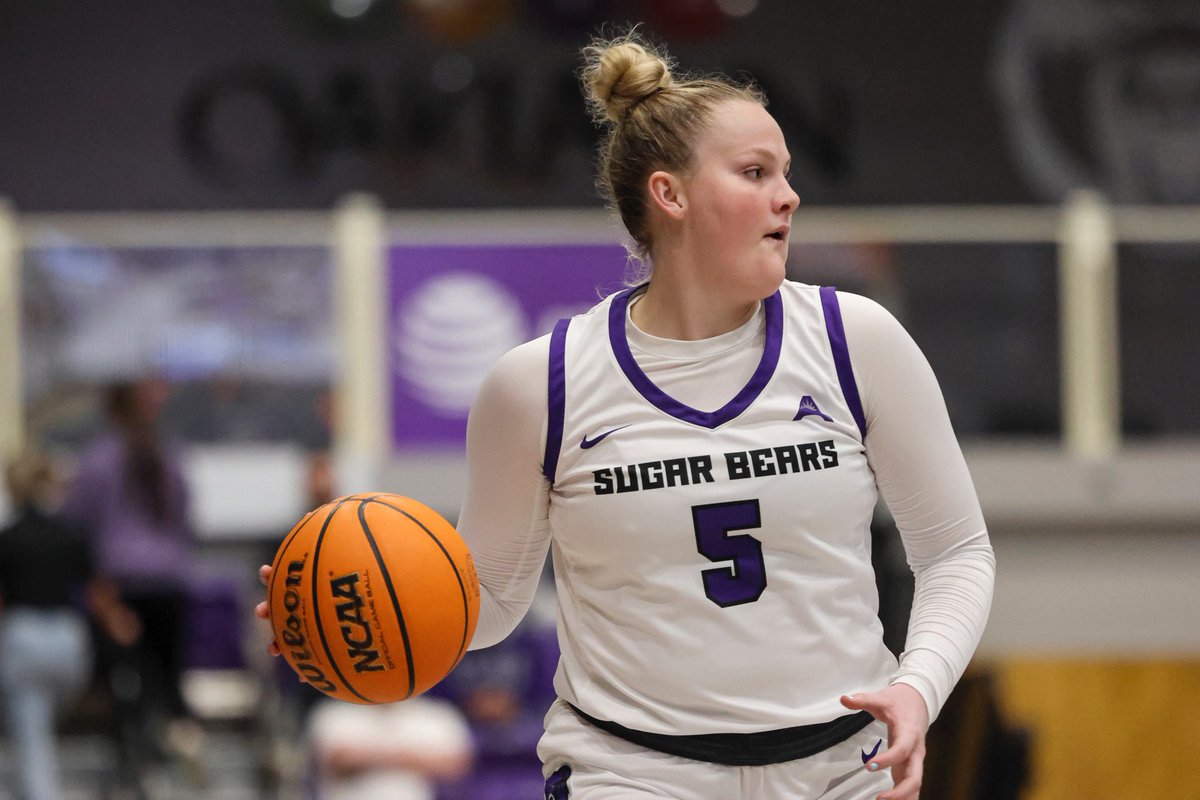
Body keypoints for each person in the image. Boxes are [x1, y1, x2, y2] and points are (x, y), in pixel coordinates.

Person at [259, 30, 995, 800]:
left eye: (786, 173)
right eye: (755, 172)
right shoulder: (540, 383)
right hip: (633, 772)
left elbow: (956, 554)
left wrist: (918, 687)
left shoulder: (857, 341)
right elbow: (494, 602)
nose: (789, 196)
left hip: (844, 769)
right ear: (669, 195)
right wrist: (346, 611)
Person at [60, 378, 205, 769]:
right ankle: (175, 738)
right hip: (170, 581)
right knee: (167, 678)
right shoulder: (168, 455)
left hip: (123, 586)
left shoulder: (98, 459)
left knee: (130, 683)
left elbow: (77, 528)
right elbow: (187, 521)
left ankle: (143, 756)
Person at [0, 450, 140, 800]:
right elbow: (98, 592)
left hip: (24, 633)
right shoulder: (71, 533)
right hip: (67, 638)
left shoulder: (9, 537)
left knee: (32, 731)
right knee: (41, 724)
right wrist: (119, 621)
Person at [305, 694, 473, 800]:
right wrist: (409, 757)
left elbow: (455, 765)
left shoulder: (437, 713)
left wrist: (370, 756)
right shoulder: (334, 711)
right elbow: (341, 761)